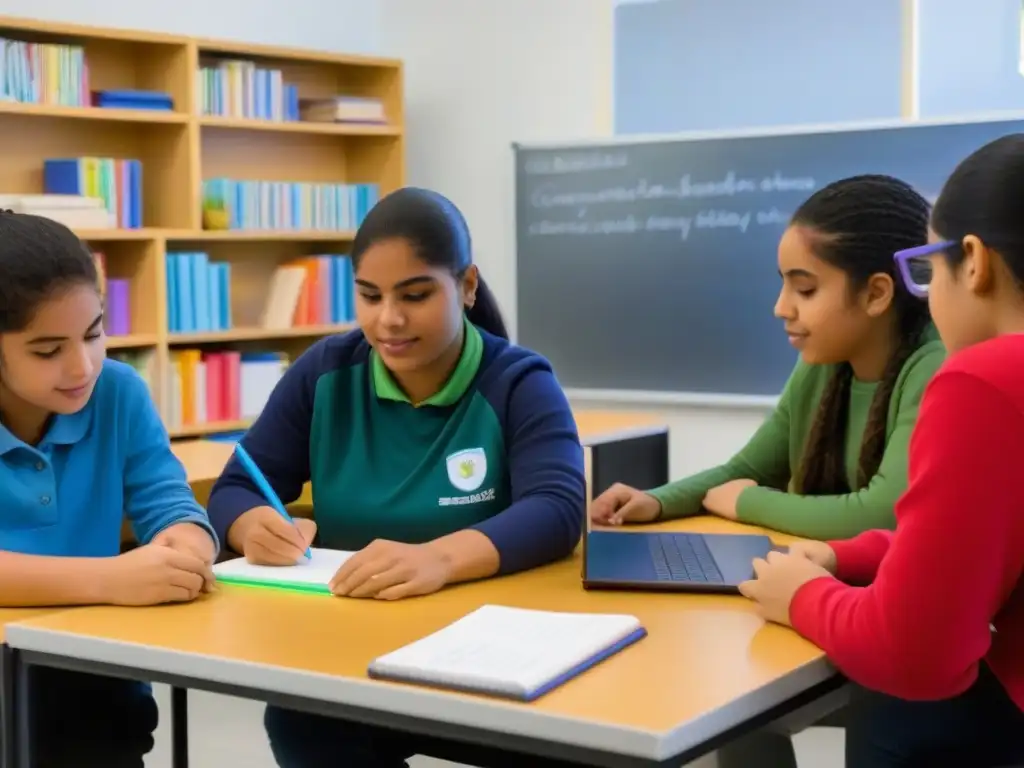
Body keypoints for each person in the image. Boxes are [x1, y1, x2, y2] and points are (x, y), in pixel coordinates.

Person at [206, 186, 586, 768]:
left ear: (466, 286)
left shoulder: (517, 381)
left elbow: (558, 509)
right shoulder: (325, 374)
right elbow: (236, 487)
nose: (389, 320)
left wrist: (438, 558)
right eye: (369, 295)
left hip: (490, 652)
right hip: (350, 647)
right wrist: (250, 524)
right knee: (299, 719)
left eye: (415, 294)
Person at [590, 174, 947, 768]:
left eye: (803, 289)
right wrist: (659, 500)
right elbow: (748, 468)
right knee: (736, 696)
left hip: (884, 621)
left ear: (878, 293)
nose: (781, 308)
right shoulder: (823, 360)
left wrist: (748, 502)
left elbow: (882, 511)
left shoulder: (932, 364)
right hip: (826, 595)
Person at [739, 135, 1024, 767]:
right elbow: (972, 545)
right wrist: (846, 554)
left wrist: (803, 596)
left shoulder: (984, 377)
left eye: (927, 266)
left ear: (972, 262)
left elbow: (916, 656)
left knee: (886, 703)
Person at [0, 212, 219, 766]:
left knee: (107, 717)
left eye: (94, 333)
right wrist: (112, 577)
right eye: (48, 351)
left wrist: (186, 545)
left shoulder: (118, 391)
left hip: (90, 680)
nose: (83, 365)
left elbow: (168, 501)